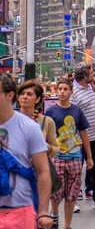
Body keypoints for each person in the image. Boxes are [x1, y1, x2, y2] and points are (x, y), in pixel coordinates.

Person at [0, 72, 53, 229]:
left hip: (21, 211)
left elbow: (43, 171)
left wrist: (43, 211)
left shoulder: (30, 128)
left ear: (10, 95)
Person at [46, 78, 94, 229]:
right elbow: (45, 134)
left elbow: (84, 134)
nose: (62, 92)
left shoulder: (76, 110)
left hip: (75, 158)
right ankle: (54, 216)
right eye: (60, 89)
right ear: (56, 90)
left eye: (66, 89)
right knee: (55, 193)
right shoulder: (50, 111)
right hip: (57, 158)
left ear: (71, 92)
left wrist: (90, 157)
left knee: (71, 195)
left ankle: (67, 225)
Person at [70, 63, 95, 210]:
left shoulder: (92, 88)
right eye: (92, 72)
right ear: (85, 74)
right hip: (79, 138)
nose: (94, 75)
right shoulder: (73, 92)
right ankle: (72, 200)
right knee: (76, 169)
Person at [17, 80, 59, 158]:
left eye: (29, 94)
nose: (25, 97)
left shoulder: (47, 121)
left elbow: (56, 149)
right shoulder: (11, 119)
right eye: (22, 94)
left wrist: (46, 147)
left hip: (38, 167)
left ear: (37, 99)